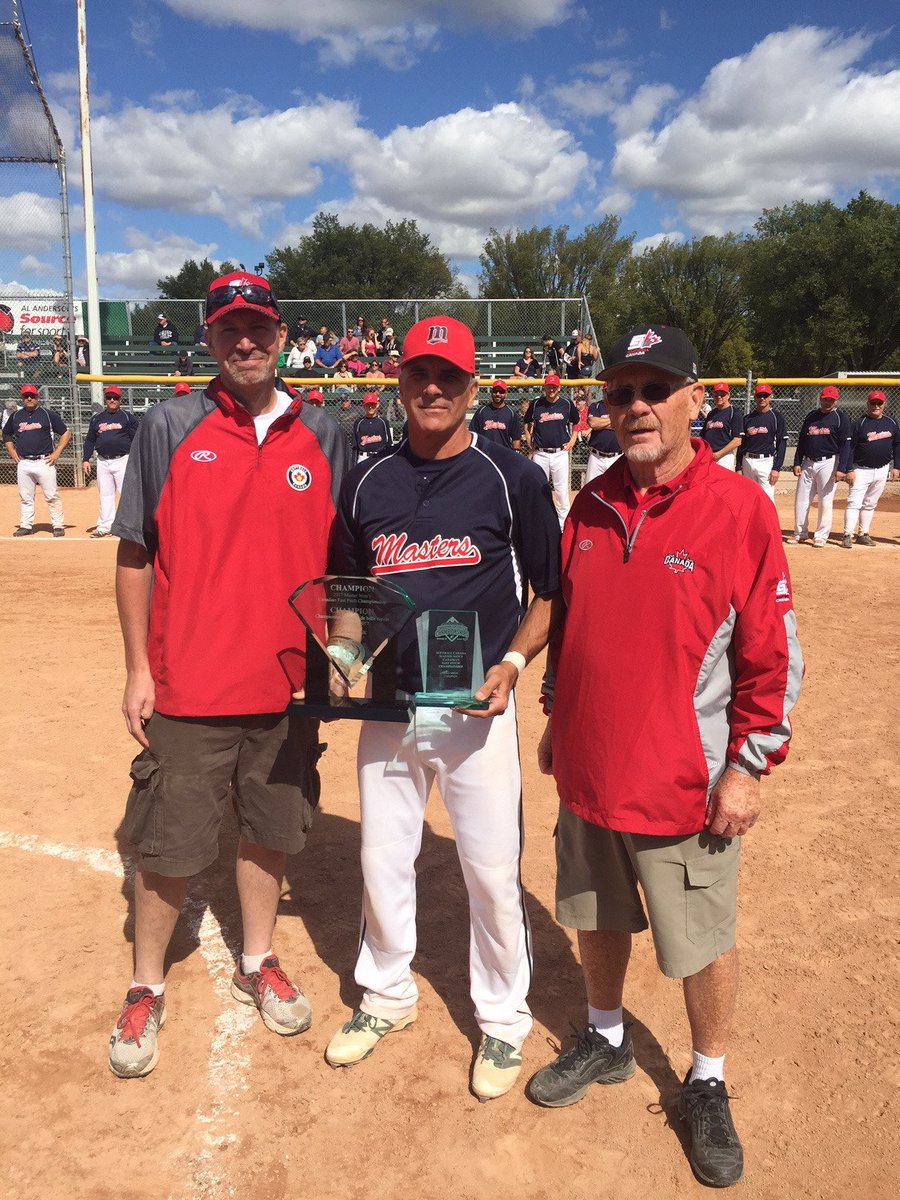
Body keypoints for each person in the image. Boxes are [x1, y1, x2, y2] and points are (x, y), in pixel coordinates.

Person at [529, 324, 803, 1189]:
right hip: (591, 767)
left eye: (656, 389)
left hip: (688, 783)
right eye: (620, 394)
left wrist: (748, 765)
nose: (637, 407)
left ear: (696, 398)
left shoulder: (739, 508)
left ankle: (707, 1077)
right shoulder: (592, 503)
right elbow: (571, 628)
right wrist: (553, 711)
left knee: (701, 940)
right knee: (595, 914)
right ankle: (606, 1037)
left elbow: (773, 654)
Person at [105, 271, 350, 1079]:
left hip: (287, 689)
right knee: (170, 845)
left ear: (281, 335)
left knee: (269, 833)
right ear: (208, 339)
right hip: (189, 685)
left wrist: (343, 652)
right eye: (227, 330)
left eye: (258, 328)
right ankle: (146, 984)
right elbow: (136, 554)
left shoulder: (326, 432)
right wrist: (139, 667)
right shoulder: (169, 425)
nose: (245, 342)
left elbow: (344, 563)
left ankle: (257, 958)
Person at [324, 315, 562, 1102]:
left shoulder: (513, 477)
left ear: (472, 387)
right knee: (382, 858)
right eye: (420, 375)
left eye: (449, 377)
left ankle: (502, 1018)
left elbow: (550, 594)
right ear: (398, 383)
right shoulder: (364, 480)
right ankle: (386, 994)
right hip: (390, 710)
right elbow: (350, 596)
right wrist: (347, 651)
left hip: (474, 709)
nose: (433, 389)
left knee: (491, 871)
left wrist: (515, 661)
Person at [788, 385, 852, 546]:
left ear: (836, 400)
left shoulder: (840, 417)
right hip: (808, 462)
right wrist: (797, 461)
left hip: (829, 462)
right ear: (820, 398)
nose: (827, 402)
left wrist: (842, 468)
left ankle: (821, 536)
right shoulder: (811, 416)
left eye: (831, 399)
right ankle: (800, 532)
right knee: (801, 499)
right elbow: (802, 440)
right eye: (825, 399)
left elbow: (845, 445)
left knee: (825, 500)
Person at [3, 383, 69, 537]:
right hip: (24, 462)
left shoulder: (47, 414)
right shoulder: (16, 416)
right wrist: (12, 451)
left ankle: (58, 525)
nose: (29, 398)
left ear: (37, 397)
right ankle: (26, 525)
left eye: (32, 395)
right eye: (26, 396)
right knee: (25, 496)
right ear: (22, 398)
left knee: (51, 495)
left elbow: (65, 432)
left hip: (44, 461)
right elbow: (6, 434)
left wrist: (57, 452)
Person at [838, 390, 900, 548]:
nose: (876, 406)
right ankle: (847, 534)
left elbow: (897, 445)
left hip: (882, 469)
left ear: (884, 405)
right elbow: (849, 448)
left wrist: (897, 466)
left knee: (870, 503)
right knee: (854, 502)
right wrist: (849, 469)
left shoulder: (891, 422)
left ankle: (863, 533)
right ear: (868, 404)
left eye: (879, 403)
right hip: (860, 469)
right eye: (873, 403)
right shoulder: (859, 423)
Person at [82, 385, 139, 539]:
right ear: (105, 399)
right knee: (105, 495)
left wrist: (136, 459)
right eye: (109, 397)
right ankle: (105, 526)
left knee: (126, 493)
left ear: (120, 400)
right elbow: (90, 440)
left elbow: (137, 440)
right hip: (102, 461)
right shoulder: (97, 418)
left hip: (122, 459)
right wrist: (85, 459)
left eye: (115, 397)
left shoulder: (127, 418)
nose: (112, 400)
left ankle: (128, 526)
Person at [523, 374, 579, 528]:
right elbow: (527, 422)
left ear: (559, 387)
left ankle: (563, 526)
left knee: (561, 492)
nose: (551, 389)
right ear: (544, 387)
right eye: (549, 386)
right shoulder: (536, 404)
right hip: (540, 453)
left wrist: (573, 439)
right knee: (539, 490)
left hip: (560, 453)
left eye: (554, 386)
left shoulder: (566, 404)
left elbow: (577, 422)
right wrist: (528, 439)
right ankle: (538, 523)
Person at [740, 384, 787, 503]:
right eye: (759, 395)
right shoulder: (747, 418)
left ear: (770, 397)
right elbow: (742, 444)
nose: (762, 398)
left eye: (765, 395)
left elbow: (782, 443)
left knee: (767, 500)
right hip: (747, 460)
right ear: (754, 397)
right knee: (748, 498)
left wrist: (776, 468)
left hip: (766, 462)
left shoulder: (776, 417)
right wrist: (738, 466)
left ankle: (769, 522)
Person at [469, 379, 522, 450]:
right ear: (491, 393)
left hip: (504, 454)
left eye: (501, 392)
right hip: (485, 453)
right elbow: (473, 434)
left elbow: (516, 439)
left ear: (506, 394)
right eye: (495, 391)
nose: (498, 394)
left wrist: (516, 456)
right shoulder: (481, 411)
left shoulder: (511, 414)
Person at [701, 383, 743, 471]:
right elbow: (703, 436)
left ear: (728, 395)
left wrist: (718, 454)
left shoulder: (734, 413)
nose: (719, 397)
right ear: (713, 396)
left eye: (722, 395)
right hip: (708, 455)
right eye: (716, 395)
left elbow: (737, 440)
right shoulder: (711, 413)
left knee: (722, 483)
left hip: (724, 457)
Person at [584, 387, 621, 482]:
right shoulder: (596, 405)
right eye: (606, 390)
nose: (608, 392)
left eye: (610, 389)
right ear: (603, 391)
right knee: (591, 488)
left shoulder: (621, 406)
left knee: (617, 490)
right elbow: (593, 423)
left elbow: (623, 424)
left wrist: (601, 423)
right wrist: (615, 422)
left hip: (617, 457)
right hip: (596, 457)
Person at [351, 392, 392, 462]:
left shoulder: (383, 422)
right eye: (368, 404)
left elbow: (389, 443)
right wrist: (354, 463)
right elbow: (355, 446)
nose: (370, 407)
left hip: (380, 457)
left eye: (373, 404)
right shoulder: (358, 423)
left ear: (377, 405)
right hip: (363, 457)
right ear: (363, 406)